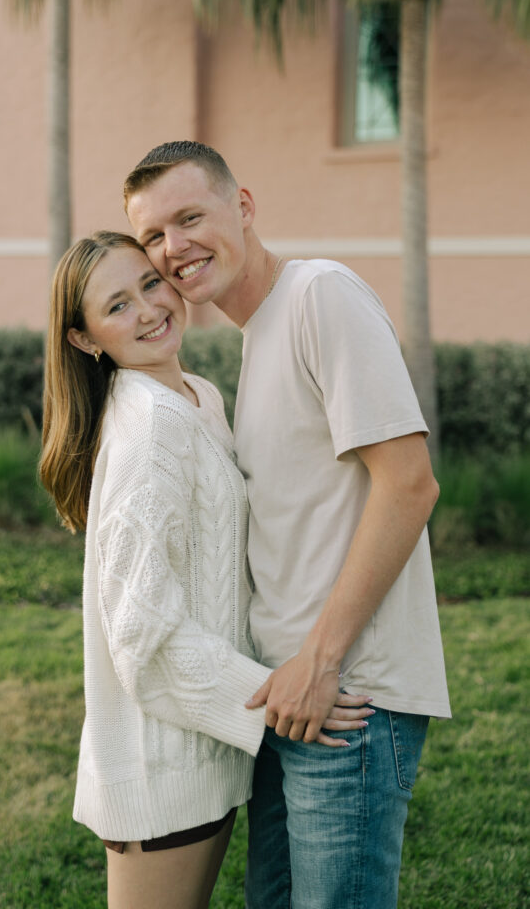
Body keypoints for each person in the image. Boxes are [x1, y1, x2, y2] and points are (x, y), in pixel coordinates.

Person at [124, 142, 452, 909]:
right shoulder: (258, 333)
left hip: (347, 699)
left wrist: (320, 659)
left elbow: (408, 483)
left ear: (242, 206)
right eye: (152, 236)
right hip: (287, 695)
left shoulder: (318, 295)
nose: (173, 247)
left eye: (189, 217)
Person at [39, 231, 370, 909]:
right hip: (160, 763)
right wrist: (273, 697)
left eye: (150, 284)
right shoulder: (149, 431)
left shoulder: (196, 397)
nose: (148, 310)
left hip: (204, 750)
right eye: (117, 306)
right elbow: (143, 635)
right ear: (84, 339)